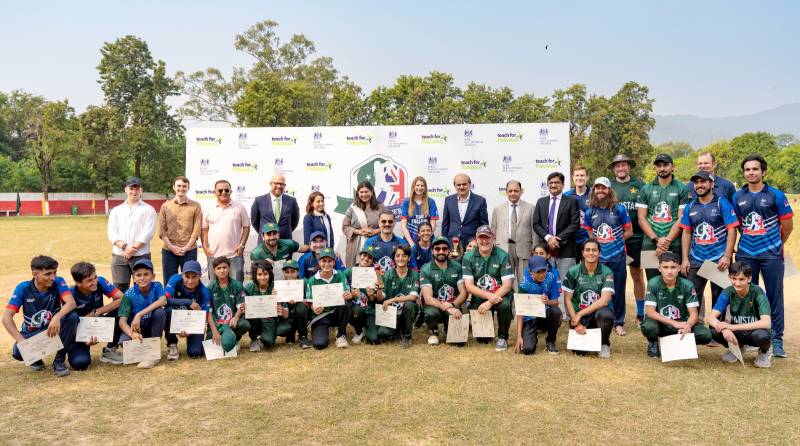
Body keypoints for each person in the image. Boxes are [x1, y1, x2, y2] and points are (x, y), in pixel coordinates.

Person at [732, 154, 793, 357]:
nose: (751, 172)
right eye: (747, 169)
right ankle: (751, 336)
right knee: (747, 296)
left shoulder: (776, 195)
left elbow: (787, 226)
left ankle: (776, 339)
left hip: (771, 255)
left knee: (775, 296)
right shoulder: (738, 196)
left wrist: (775, 245)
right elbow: (738, 224)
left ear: (763, 172)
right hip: (746, 254)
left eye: (755, 169)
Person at [679, 171, 738, 324]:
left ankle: (715, 332)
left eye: (703, 182)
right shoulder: (691, 206)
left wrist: (726, 255)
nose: (699, 185)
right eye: (696, 183)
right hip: (696, 258)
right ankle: (693, 330)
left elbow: (732, 230)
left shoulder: (722, 203)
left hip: (718, 259)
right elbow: (686, 233)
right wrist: (685, 258)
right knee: (692, 296)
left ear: (711, 184)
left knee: (719, 298)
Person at [4, 256, 78, 377]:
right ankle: (35, 358)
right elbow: (6, 318)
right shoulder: (23, 288)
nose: (53, 277)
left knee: (72, 317)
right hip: (33, 333)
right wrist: (22, 342)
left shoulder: (59, 281)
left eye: (54, 273)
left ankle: (59, 361)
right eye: (48, 274)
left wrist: (57, 317)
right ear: (35, 274)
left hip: (53, 329)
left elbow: (71, 303)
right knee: (18, 352)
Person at [582, 177, 632, 336]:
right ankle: (599, 319)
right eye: (597, 188)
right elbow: (590, 234)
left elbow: (629, 231)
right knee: (598, 290)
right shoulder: (590, 212)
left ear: (609, 190)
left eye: (603, 188)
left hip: (617, 257)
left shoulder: (619, 209)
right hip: (599, 259)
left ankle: (618, 322)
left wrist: (616, 241)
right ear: (594, 191)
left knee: (618, 290)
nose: (600, 191)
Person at [640, 252, 712, 358]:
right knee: (648, 326)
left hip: (681, 323)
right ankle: (653, 342)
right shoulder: (653, 283)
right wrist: (673, 323)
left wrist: (687, 325)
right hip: (661, 324)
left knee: (706, 335)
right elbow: (650, 312)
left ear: (679, 268)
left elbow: (694, 314)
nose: (669, 271)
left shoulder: (687, 285)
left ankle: (683, 343)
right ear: (659, 268)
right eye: (665, 267)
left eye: (673, 267)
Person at [707, 262, 773, 368]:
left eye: (741, 279)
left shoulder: (758, 292)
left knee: (761, 336)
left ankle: (765, 351)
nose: (737, 283)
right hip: (738, 332)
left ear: (749, 278)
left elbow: (766, 323)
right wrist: (724, 329)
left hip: (754, 331)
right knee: (714, 331)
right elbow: (710, 317)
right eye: (734, 278)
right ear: (729, 277)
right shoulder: (728, 291)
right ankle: (739, 347)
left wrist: (731, 326)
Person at [532, 171, 580, 315]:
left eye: (557, 182)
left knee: (566, 282)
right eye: (551, 183)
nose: (553, 185)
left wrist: (557, 239)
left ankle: (566, 313)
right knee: (545, 280)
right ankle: (546, 310)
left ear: (563, 185)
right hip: (545, 250)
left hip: (566, 248)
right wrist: (548, 238)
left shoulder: (571, 201)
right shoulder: (541, 202)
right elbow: (536, 224)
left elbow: (575, 224)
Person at [636, 154, 690, 280]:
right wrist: (656, 240)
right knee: (653, 282)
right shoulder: (646, 189)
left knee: (676, 281)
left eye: (665, 165)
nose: (662, 168)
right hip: (650, 243)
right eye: (659, 165)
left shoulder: (682, 189)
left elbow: (681, 218)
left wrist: (667, 241)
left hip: (675, 243)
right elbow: (641, 218)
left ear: (673, 167)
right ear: (655, 168)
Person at [462, 225, 514, 351]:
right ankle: (487, 331)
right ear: (476, 238)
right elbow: (469, 286)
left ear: (493, 238)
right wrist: (488, 297)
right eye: (481, 238)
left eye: (487, 237)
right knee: (483, 339)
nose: (484, 241)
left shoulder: (503, 255)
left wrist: (490, 301)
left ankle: (502, 336)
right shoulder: (468, 257)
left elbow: (507, 285)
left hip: (500, 293)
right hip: (480, 295)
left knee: (504, 305)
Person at [609, 154, 647, 325]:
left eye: (623, 165)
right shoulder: (609, 186)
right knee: (612, 277)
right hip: (614, 241)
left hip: (636, 239)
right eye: (617, 166)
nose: (621, 169)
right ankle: (611, 313)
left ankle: (640, 314)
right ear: (614, 169)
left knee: (637, 275)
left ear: (629, 167)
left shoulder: (640, 186)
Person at [562, 240, 615, 358]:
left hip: (597, 315)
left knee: (606, 315)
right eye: (587, 250)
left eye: (594, 250)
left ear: (599, 253)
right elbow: (567, 299)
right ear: (582, 253)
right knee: (579, 353)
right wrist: (576, 321)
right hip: (579, 318)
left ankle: (604, 343)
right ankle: (584, 334)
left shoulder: (607, 272)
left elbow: (604, 300)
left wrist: (579, 314)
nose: (591, 253)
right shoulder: (573, 271)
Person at [69, 261, 124, 366]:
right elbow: (68, 323)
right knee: (80, 363)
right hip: (79, 332)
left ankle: (110, 349)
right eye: (89, 280)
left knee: (123, 308)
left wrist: (96, 312)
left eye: (95, 277)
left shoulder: (100, 282)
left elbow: (122, 298)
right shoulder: (70, 294)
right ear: (78, 283)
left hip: (98, 323)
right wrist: (84, 339)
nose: (95, 282)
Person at [107, 176, 157, 292]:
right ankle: (121, 311)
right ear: (126, 189)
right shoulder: (116, 210)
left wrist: (133, 249)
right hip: (119, 255)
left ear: (141, 190)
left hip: (141, 255)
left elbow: (148, 232)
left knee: (142, 288)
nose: (134, 192)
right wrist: (125, 247)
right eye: (131, 188)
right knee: (119, 289)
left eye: (137, 188)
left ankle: (141, 311)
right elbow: (112, 232)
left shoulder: (149, 210)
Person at [117, 259, 167, 369]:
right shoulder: (129, 294)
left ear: (153, 276)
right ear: (134, 278)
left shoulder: (157, 286)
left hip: (150, 327)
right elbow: (122, 322)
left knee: (160, 312)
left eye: (146, 274)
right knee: (124, 342)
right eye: (138, 275)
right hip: (136, 329)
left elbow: (163, 301)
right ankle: (141, 349)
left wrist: (138, 315)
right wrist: (132, 334)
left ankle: (154, 353)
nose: (142, 278)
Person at [490, 179, 537, 288]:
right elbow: (493, 230)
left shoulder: (530, 208)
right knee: (505, 281)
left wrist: (534, 249)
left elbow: (534, 231)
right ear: (506, 192)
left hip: (525, 249)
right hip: (503, 249)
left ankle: (524, 304)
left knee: (524, 281)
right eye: (510, 191)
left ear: (521, 191)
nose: (513, 193)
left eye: (516, 191)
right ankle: (507, 304)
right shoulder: (498, 209)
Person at [421, 237, 467, 345]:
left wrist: (452, 305)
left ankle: (447, 329)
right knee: (431, 313)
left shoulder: (457, 267)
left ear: (449, 250)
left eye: (444, 248)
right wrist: (447, 307)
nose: (441, 251)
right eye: (437, 249)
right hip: (434, 306)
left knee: (459, 343)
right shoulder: (425, 269)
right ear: (432, 251)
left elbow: (464, 292)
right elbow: (427, 298)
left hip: (453, 305)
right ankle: (433, 331)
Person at [201, 179, 251, 282]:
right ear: (215, 192)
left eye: (226, 190)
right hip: (214, 255)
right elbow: (204, 230)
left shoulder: (240, 207)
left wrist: (241, 245)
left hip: (235, 255)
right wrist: (205, 247)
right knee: (215, 288)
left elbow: (246, 227)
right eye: (220, 190)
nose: (223, 192)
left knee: (237, 287)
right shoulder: (209, 209)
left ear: (231, 191)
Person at [304, 248, 353, 349]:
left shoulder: (340, 275)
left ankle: (341, 335)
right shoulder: (312, 280)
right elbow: (310, 302)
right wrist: (314, 308)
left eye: (330, 261)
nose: (327, 264)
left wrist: (348, 294)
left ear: (334, 262)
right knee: (319, 344)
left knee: (347, 303)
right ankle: (324, 330)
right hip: (321, 315)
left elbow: (346, 292)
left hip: (336, 313)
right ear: (319, 262)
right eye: (324, 261)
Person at [513, 256, 562, 355]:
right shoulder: (524, 285)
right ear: (530, 272)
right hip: (530, 318)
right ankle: (531, 337)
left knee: (556, 312)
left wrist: (548, 301)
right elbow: (520, 310)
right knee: (527, 350)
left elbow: (555, 302)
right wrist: (519, 336)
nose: (541, 275)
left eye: (543, 271)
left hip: (545, 315)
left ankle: (550, 341)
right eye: (537, 272)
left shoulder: (550, 278)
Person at [163, 260, 211, 361]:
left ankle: (191, 341)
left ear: (200, 276)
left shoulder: (204, 291)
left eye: (194, 277)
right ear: (182, 274)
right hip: (176, 316)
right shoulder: (175, 279)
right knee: (167, 311)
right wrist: (188, 302)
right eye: (187, 276)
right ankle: (172, 344)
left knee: (195, 353)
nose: (190, 281)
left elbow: (203, 317)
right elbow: (165, 300)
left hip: (192, 322)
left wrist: (191, 328)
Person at [374, 245, 420, 348]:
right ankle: (397, 330)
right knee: (383, 333)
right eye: (397, 256)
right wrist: (379, 289)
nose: (400, 258)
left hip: (406, 313)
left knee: (410, 305)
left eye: (404, 256)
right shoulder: (387, 275)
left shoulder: (415, 275)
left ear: (408, 258)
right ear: (394, 258)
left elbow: (413, 297)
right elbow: (381, 298)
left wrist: (392, 299)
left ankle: (407, 336)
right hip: (391, 314)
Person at [158, 175, 202, 280]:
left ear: (188, 188)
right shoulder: (165, 206)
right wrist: (172, 247)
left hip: (189, 250)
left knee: (190, 282)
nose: (181, 188)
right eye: (178, 186)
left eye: (184, 186)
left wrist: (186, 248)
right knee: (169, 281)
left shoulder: (196, 206)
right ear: (174, 187)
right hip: (169, 250)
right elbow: (162, 231)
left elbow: (196, 231)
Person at [245, 260, 293, 350]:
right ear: (255, 275)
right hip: (256, 320)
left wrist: (278, 303)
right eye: (259, 274)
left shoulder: (277, 287)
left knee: (269, 342)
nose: (262, 277)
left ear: (270, 274)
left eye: (265, 274)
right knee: (251, 314)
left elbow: (286, 314)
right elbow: (245, 310)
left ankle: (266, 336)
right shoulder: (249, 288)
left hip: (270, 320)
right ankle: (254, 339)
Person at [207, 256, 249, 354]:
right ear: (214, 271)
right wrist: (214, 330)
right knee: (207, 343)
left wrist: (236, 318)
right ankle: (225, 337)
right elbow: (209, 311)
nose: (222, 271)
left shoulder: (237, 285)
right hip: (217, 323)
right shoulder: (210, 288)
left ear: (229, 268)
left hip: (232, 322)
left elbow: (241, 305)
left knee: (244, 324)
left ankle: (235, 339)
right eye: (218, 268)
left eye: (224, 267)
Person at [342, 180, 387, 267]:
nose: (364, 194)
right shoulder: (353, 207)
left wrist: (375, 231)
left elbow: (387, 224)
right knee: (355, 273)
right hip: (355, 245)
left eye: (366, 191)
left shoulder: (380, 207)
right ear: (357, 193)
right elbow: (345, 227)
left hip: (375, 243)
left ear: (372, 192)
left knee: (375, 270)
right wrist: (359, 232)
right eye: (361, 192)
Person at [441, 173, 489, 249]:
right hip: (452, 243)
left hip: (472, 244)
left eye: (464, 184)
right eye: (458, 185)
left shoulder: (480, 201)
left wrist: (479, 241)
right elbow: (445, 224)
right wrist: (444, 242)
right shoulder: (448, 200)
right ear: (455, 186)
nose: (461, 187)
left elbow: (484, 225)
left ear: (469, 185)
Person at [344, 246, 379, 345]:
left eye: (370, 257)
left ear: (373, 261)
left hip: (369, 310)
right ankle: (359, 332)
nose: (366, 259)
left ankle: (367, 330)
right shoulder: (348, 272)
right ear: (360, 256)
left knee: (374, 339)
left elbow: (377, 299)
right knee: (356, 310)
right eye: (364, 255)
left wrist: (372, 295)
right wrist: (351, 294)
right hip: (354, 309)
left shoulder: (375, 275)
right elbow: (341, 293)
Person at [250, 174, 300, 240]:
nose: (279, 186)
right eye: (276, 183)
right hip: (266, 243)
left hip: (285, 243)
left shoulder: (292, 201)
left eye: (282, 184)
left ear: (285, 186)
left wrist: (284, 231)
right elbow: (255, 222)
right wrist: (265, 233)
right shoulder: (259, 201)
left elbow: (294, 221)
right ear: (270, 184)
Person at [279, 260, 311, 349]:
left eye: (293, 272)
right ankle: (290, 333)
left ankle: (303, 335)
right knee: (287, 310)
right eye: (287, 272)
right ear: (283, 273)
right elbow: (278, 305)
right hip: (288, 315)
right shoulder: (280, 285)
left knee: (301, 308)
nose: (289, 275)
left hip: (303, 313)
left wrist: (301, 301)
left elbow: (311, 300)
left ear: (298, 272)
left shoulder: (305, 282)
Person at [400, 176, 439, 243]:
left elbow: (433, 224)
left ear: (425, 188)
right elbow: (403, 226)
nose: (419, 188)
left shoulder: (431, 202)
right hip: (410, 240)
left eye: (422, 185)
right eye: (417, 185)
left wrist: (426, 239)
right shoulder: (406, 202)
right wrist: (411, 244)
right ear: (413, 187)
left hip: (427, 240)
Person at [564, 166, 591, 262]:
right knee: (572, 273)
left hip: (588, 241)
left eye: (582, 175)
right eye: (577, 175)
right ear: (573, 177)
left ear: (587, 177)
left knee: (588, 272)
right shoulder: (566, 196)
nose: (579, 178)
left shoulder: (594, 195)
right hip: (571, 241)